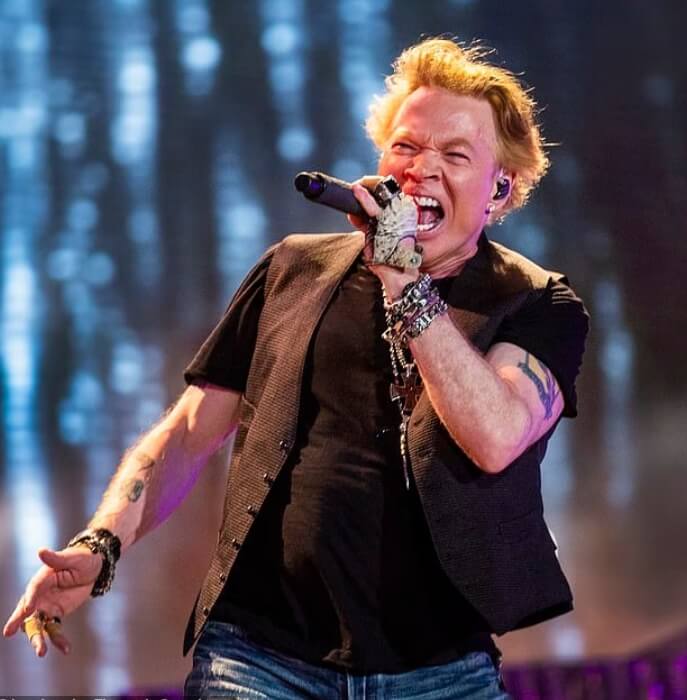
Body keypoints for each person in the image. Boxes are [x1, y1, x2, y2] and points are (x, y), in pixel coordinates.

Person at [3, 38, 589, 699]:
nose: (421, 169)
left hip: (441, 672)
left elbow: (495, 437)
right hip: (260, 659)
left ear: (499, 188)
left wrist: (404, 281)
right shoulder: (295, 270)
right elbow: (188, 432)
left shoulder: (536, 303)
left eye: (454, 155)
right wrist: (101, 544)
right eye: (405, 147)